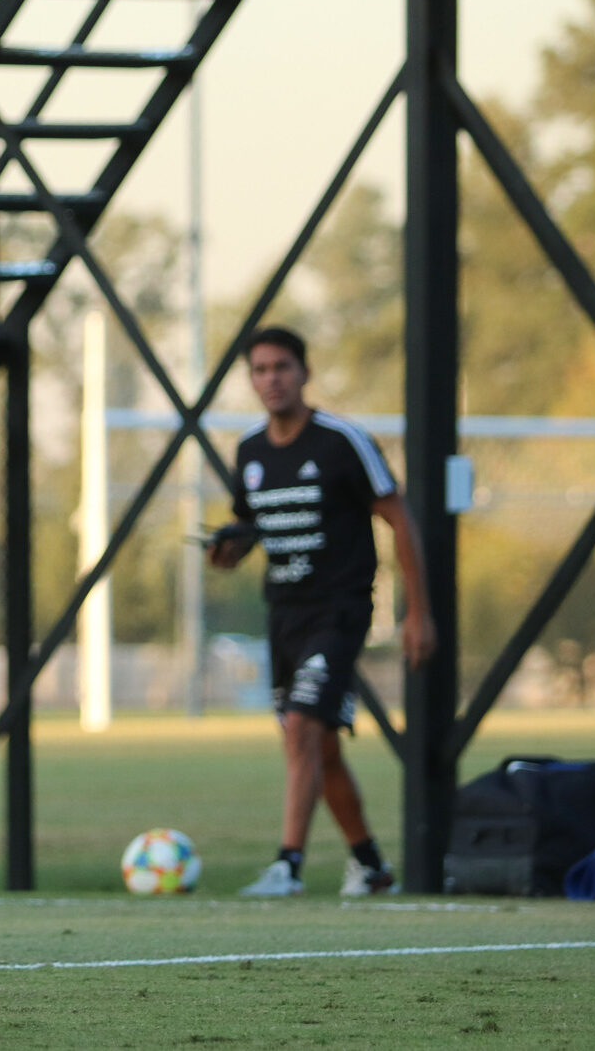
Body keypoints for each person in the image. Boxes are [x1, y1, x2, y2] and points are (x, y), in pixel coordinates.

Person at [209, 326, 436, 897]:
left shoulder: (341, 441)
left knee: (303, 730)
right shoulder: (250, 451)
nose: (271, 380)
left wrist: (418, 613)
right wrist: (229, 551)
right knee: (319, 748)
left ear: (305, 372)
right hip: (285, 614)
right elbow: (252, 530)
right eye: (259, 370)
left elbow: (399, 518)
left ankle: (287, 865)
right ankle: (372, 867)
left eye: (281, 367)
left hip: (339, 609)